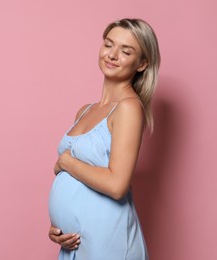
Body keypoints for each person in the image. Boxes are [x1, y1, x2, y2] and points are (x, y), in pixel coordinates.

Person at [48, 18, 160, 260]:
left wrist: (66, 163)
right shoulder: (85, 111)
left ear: (142, 64)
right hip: (76, 244)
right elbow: (75, 184)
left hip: (108, 240)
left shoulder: (128, 108)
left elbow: (116, 185)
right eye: (109, 44)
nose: (113, 55)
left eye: (126, 50)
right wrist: (58, 226)